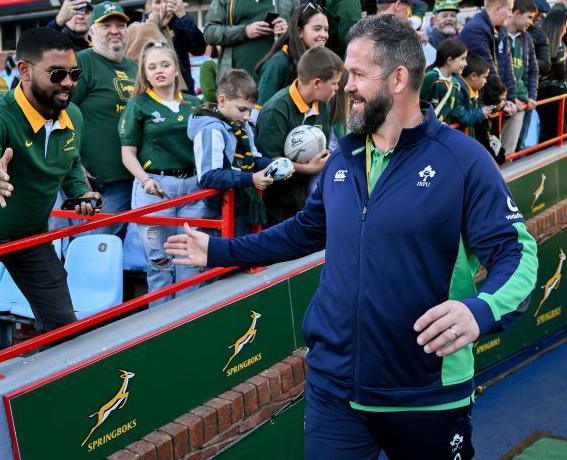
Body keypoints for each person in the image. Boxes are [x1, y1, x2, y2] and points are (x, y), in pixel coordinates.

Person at [165, 15, 537, 459]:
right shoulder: (344, 154)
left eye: (358, 74)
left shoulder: (462, 160)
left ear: (399, 78)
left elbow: (517, 252)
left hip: (426, 392)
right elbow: (307, 229)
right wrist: (220, 250)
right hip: (333, 388)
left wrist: (482, 309)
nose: (347, 87)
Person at [0, 27, 101, 388]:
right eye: (57, 74)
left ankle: (52, 404)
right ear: (25, 70)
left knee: (62, 322)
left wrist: (80, 192)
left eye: (74, 74)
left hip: (29, 235)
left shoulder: (72, 115)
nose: (68, 83)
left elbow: (70, 160)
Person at [119, 42, 203, 304]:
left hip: (193, 187)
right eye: (152, 67)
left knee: (190, 258)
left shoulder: (194, 104)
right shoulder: (138, 104)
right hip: (155, 187)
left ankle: (190, 322)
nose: (159, 71)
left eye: (165, 65)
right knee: (160, 261)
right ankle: (160, 328)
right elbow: (127, 153)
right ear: (144, 73)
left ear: (176, 69)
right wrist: (145, 180)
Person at [70, 2, 138, 239]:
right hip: (99, 182)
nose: (114, 30)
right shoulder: (82, 62)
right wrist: (74, 164)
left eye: (120, 25)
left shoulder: (135, 67)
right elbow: (60, 115)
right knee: (95, 244)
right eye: (106, 25)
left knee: (116, 249)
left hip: (137, 176)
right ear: (91, 31)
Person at [254, 46, 342, 225]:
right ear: (316, 83)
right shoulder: (276, 110)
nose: (337, 88)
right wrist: (307, 168)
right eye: (333, 83)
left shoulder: (322, 104)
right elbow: (266, 162)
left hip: (305, 197)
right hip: (276, 203)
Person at [189, 69, 278, 237]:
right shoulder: (211, 130)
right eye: (242, 109)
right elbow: (209, 177)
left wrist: (273, 165)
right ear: (222, 100)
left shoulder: (241, 124)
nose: (247, 116)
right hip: (220, 211)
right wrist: (251, 178)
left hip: (243, 204)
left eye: (250, 111)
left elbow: (252, 158)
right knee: (227, 261)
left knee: (247, 258)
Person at [255, 3, 330, 106]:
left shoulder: (316, 62)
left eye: (326, 30)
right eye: (317, 29)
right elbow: (263, 112)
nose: (324, 35)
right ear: (299, 31)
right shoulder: (278, 63)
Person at [203, 0, 294, 80]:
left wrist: (289, 30)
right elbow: (209, 33)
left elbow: (302, 30)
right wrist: (244, 31)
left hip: (276, 78)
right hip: (235, 81)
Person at [459, 0, 519, 119]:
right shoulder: (476, 29)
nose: (511, 14)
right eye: (509, 9)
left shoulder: (500, 29)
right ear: (497, 9)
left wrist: (511, 99)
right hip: (480, 103)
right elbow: (487, 69)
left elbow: (508, 65)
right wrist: (501, 99)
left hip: (496, 100)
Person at [537, 9, 567, 142]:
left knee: (547, 130)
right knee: (556, 129)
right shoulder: (557, 45)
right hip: (555, 91)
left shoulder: (541, 40)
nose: (566, 31)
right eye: (565, 27)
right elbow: (561, 73)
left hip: (540, 90)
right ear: (559, 27)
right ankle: (559, 153)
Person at [141, 0, 207, 92]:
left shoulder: (179, 22)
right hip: (153, 89)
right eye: (158, 2)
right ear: (149, 6)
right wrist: (156, 24)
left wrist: (183, 16)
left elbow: (199, 49)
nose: (163, 6)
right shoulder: (141, 28)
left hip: (183, 88)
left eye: (167, 1)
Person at [501, 0, 538, 156]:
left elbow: (533, 71)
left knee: (509, 153)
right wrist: (506, 97)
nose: (531, 22)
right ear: (516, 13)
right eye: (529, 17)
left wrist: (531, 96)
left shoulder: (527, 38)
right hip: (500, 102)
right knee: (493, 152)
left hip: (521, 104)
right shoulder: (497, 34)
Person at [420, 38, 468, 124]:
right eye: (462, 59)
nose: (465, 63)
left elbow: (452, 112)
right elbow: (417, 103)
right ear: (449, 60)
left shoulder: (455, 84)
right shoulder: (431, 77)